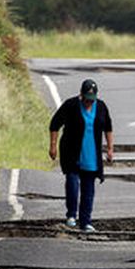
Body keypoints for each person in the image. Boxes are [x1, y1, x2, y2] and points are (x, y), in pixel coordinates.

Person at [49, 79, 114, 232]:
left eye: (92, 100)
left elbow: (108, 128)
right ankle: (71, 215)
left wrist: (110, 149)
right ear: (81, 95)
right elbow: (54, 124)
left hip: (91, 153)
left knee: (88, 188)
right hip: (71, 151)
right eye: (86, 99)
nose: (88, 103)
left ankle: (86, 221)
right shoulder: (70, 105)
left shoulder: (102, 107)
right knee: (72, 182)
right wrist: (52, 146)